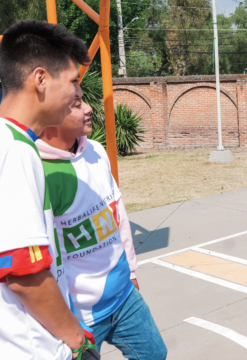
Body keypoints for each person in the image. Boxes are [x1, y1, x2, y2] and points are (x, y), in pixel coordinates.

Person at [36, 96, 167, 359]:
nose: (88, 108)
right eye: (76, 103)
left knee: (155, 354)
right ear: (50, 112)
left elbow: (119, 216)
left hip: (124, 297)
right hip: (78, 315)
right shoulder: (37, 169)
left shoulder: (96, 150)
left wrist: (131, 271)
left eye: (83, 99)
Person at [0, 20, 97, 359]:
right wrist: (78, 340)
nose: (76, 94)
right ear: (40, 79)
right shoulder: (16, 149)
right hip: (30, 346)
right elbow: (23, 270)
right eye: (73, 82)